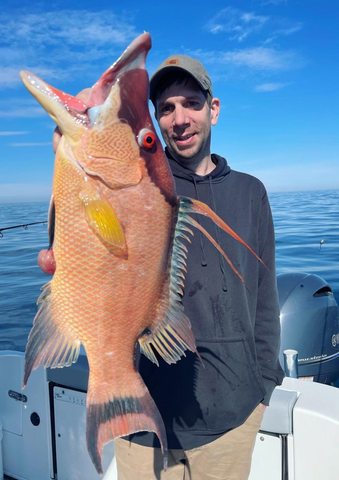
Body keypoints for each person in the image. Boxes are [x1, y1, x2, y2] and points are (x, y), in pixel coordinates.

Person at [46, 53, 284, 480]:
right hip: (143, 419)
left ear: (213, 109)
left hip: (235, 416)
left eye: (192, 103)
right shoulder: (145, 182)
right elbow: (86, 218)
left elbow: (265, 294)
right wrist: (68, 145)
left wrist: (266, 382)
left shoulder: (251, 192)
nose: (180, 119)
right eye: (167, 109)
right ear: (156, 121)